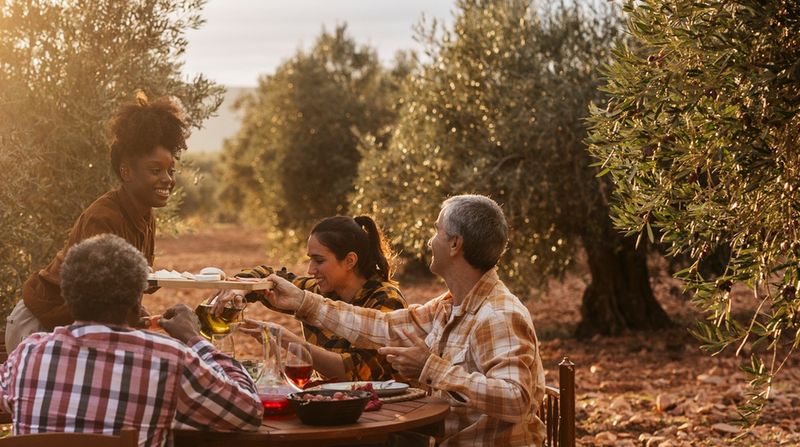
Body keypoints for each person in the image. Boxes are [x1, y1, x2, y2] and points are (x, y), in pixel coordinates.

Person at [259, 195, 546, 446]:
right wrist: (303, 302)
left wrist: (430, 368)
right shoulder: (448, 306)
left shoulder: (498, 315)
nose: (430, 241)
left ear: (455, 244)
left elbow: (516, 400)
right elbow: (382, 326)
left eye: (437, 231)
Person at [0, 234, 262, 446]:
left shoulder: (28, 354)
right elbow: (248, 412)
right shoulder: (169, 360)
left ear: (67, 298)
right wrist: (193, 338)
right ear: (137, 303)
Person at [6, 92, 187, 353]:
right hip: (40, 323)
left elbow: (124, 287)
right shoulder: (103, 218)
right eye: (155, 170)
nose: (167, 179)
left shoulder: (145, 216)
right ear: (126, 172)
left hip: (75, 326)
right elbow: (96, 297)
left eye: (171, 170)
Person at [217, 215, 407, 382]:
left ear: (349, 261)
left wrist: (284, 338)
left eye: (319, 260)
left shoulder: (386, 300)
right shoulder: (319, 291)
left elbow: (355, 373)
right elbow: (267, 275)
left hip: (393, 407)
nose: (310, 270)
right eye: (310, 259)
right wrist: (240, 288)